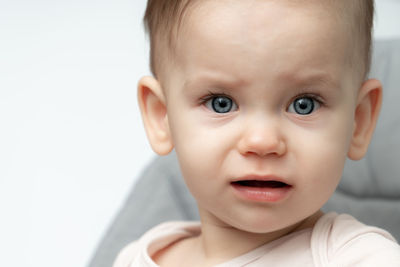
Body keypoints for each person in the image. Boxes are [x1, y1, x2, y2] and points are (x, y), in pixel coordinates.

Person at [114, 0, 400, 266]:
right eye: (221, 103)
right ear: (161, 116)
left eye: (304, 105)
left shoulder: (362, 258)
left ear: (358, 121)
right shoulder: (135, 258)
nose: (262, 142)